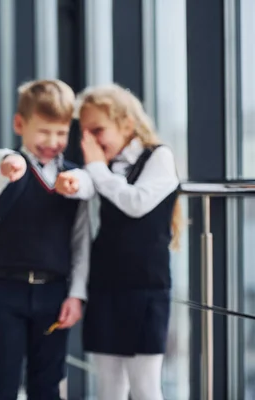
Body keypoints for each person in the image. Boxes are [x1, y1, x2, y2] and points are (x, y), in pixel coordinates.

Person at [56, 83, 182, 400]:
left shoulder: (159, 157)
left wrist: (96, 168)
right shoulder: (101, 166)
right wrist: (82, 177)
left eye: (97, 130)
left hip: (146, 288)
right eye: (84, 134)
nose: (90, 143)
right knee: (109, 388)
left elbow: (136, 202)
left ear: (127, 123)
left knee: (145, 387)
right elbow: (87, 184)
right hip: (105, 286)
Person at [0, 79, 92, 400]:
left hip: (54, 295)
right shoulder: (8, 164)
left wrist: (76, 295)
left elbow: (81, 241)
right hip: (3, 292)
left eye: (61, 133)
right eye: (43, 132)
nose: (52, 141)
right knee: (2, 383)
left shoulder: (75, 179)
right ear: (19, 124)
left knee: (48, 386)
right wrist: (10, 165)